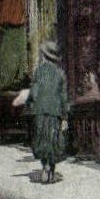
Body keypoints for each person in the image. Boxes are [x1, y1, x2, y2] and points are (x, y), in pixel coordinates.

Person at [26, 40, 70, 184]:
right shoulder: (60, 73)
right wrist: (65, 116)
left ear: (44, 56)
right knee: (53, 141)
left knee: (42, 139)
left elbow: (34, 93)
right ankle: (51, 169)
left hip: (39, 111)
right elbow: (64, 97)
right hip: (55, 112)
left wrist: (30, 104)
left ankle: (45, 166)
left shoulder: (38, 71)